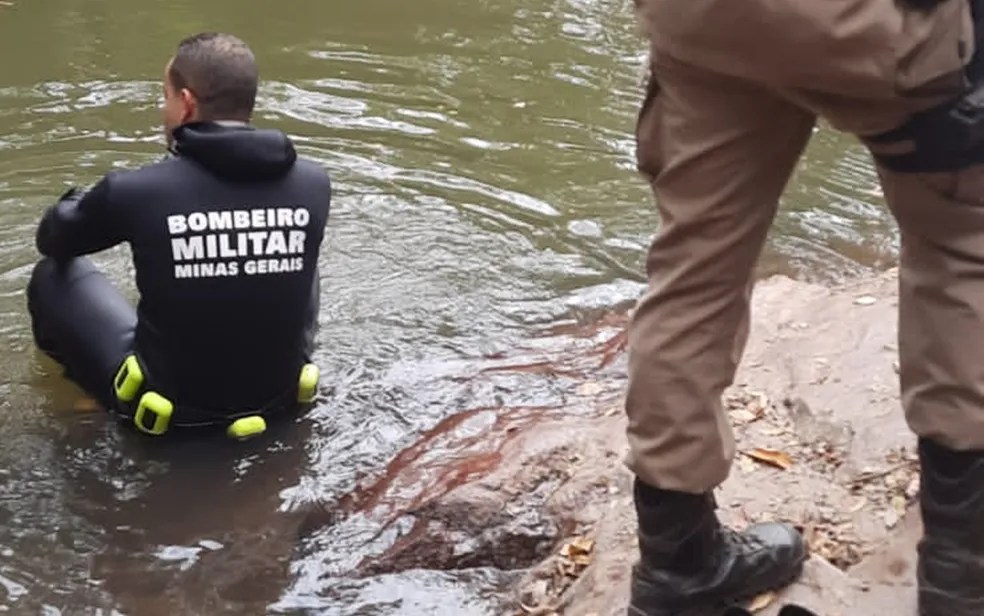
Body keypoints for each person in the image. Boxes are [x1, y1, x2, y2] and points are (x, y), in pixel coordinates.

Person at [623, 0, 984, 614]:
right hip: (871, 24)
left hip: (701, 18)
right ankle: (961, 580)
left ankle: (677, 561)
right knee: (963, 249)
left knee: (693, 271)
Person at [26, 32, 332, 438]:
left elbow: (55, 239)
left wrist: (82, 200)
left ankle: (83, 398)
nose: (163, 109)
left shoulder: (137, 190)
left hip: (170, 420)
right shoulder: (314, 184)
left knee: (52, 275)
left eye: (165, 97)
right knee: (298, 256)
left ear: (186, 103)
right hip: (279, 405)